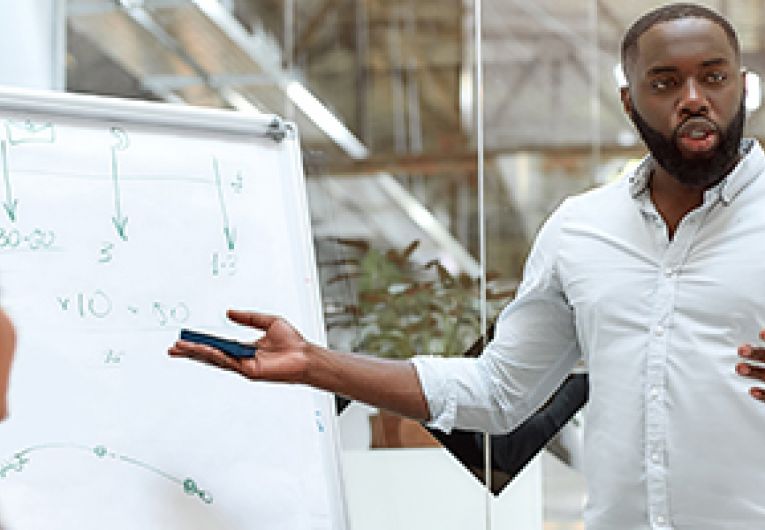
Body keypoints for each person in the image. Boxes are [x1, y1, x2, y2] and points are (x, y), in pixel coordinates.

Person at [169, 3, 765, 528]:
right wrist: (316, 365)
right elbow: (499, 391)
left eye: (712, 78)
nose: (693, 98)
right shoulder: (581, 230)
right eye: (666, 82)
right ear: (629, 100)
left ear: (740, 85)